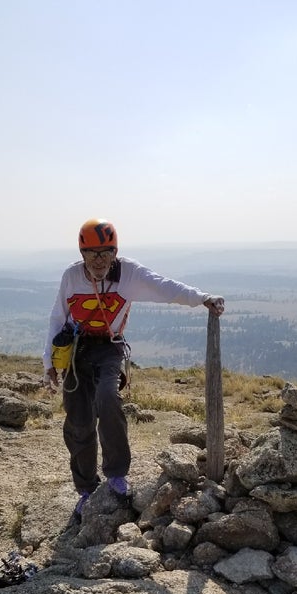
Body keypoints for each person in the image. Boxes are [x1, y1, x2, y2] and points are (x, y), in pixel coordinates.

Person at [43, 218, 224, 519]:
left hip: (109, 347)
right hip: (77, 350)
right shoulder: (71, 277)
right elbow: (57, 318)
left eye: (105, 253)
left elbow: (164, 287)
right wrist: (49, 364)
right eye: (92, 253)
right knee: (78, 420)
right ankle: (86, 488)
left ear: (115, 252)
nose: (99, 260)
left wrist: (201, 298)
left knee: (108, 398)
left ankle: (116, 475)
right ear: (82, 253)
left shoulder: (128, 273)